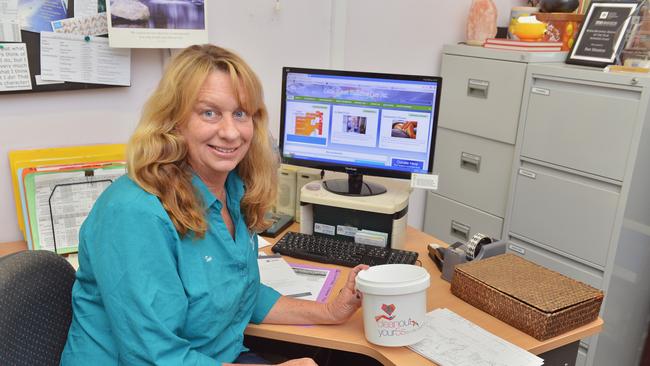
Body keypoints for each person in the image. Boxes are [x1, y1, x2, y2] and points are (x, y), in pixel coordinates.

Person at [60, 44, 367, 366]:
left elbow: (240, 293)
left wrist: (330, 312)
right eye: (209, 113)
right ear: (174, 121)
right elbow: (152, 356)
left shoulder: (234, 190)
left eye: (240, 114)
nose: (231, 132)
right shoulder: (134, 213)